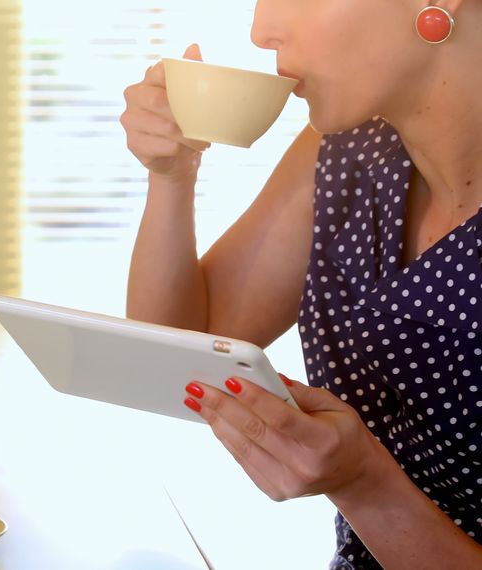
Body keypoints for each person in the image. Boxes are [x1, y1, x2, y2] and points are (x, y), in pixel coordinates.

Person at [121, 1, 482, 568]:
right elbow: (176, 358)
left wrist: (365, 484)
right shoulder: (346, 154)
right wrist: (172, 174)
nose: (262, 30)